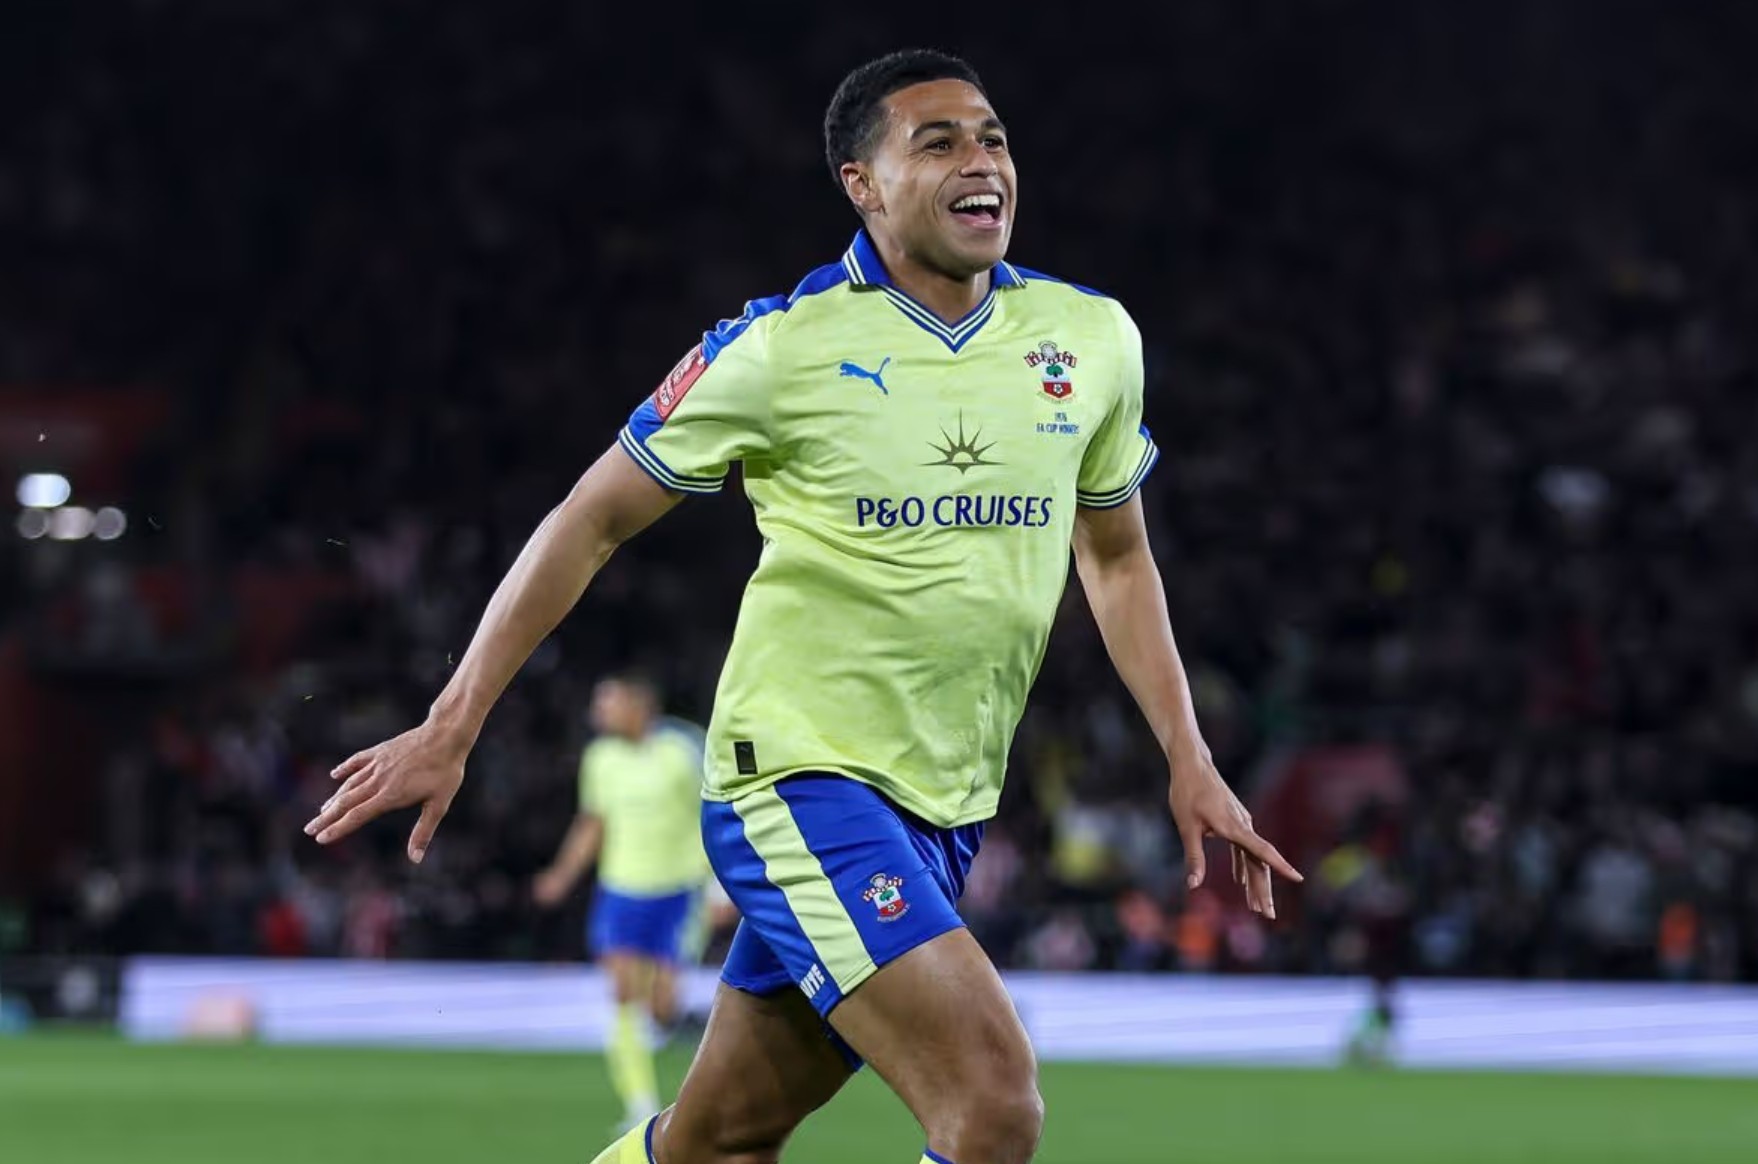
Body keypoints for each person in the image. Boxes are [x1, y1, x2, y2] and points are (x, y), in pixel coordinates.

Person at [305, 48, 1302, 1164]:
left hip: (946, 804)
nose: (981, 162)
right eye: (938, 143)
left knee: (720, 1141)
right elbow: (589, 519)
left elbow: (1116, 560)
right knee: (994, 1104)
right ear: (861, 183)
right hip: (795, 778)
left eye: (993, 138)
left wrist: (1188, 757)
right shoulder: (779, 348)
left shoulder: (1093, 341)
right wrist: (453, 722)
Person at [533, 673, 713, 1133]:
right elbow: (592, 823)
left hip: (678, 891)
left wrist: (718, 886)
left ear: (639, 706)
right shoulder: (600, 758)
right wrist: (561, 875)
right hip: (620, 890)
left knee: (661, 1006)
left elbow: (715, 814)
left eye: (607, 703)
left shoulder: (683, 750)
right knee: (622, 992)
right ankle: (640, 1104)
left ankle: (701, 1061)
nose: (598, 713)